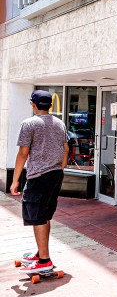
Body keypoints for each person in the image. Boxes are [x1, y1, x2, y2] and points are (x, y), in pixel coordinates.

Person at [10, 90, 69, 273]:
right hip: (55, 174)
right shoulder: (59, 123)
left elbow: (23, 153)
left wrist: (14, 181)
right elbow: (66, 149)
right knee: (44, 216)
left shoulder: (29, 124)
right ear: (50, 105)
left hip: (39, 176)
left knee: (37, 216)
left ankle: (44, 260)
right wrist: (60, 168)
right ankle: (41, 253)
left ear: (33, 104)